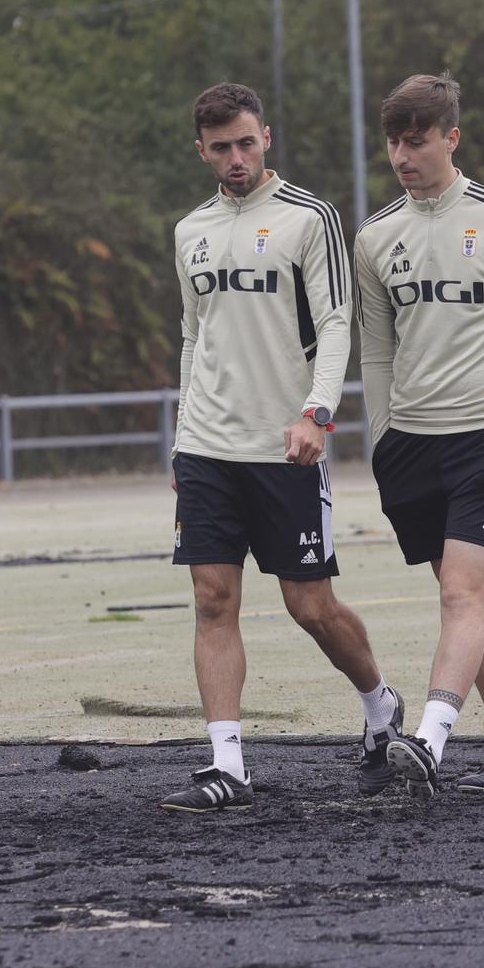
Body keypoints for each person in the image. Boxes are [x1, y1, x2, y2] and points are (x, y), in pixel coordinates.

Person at [163, 82, 402, 812]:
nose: (236, 158)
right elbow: (192, 336)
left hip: (286, 445)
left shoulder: (311, 219)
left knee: (310, 606)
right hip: (207, 444)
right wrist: (180, 441)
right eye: (220, 147)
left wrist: (317, 412)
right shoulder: (189, 230)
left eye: (246, 142)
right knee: (213, 598)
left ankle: (379, 707)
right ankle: (227, 764)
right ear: (200, 150)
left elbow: (338, 323)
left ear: (266, 136)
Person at [352, 73, 484, 798]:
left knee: (460, 591)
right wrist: (379, 437)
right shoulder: (376, 236)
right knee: (473, 597)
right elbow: (375, 351)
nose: (403, 155)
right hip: (411, 443)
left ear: (452, 137)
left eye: (417, 141)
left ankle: (432, 738)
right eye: (393, 142)